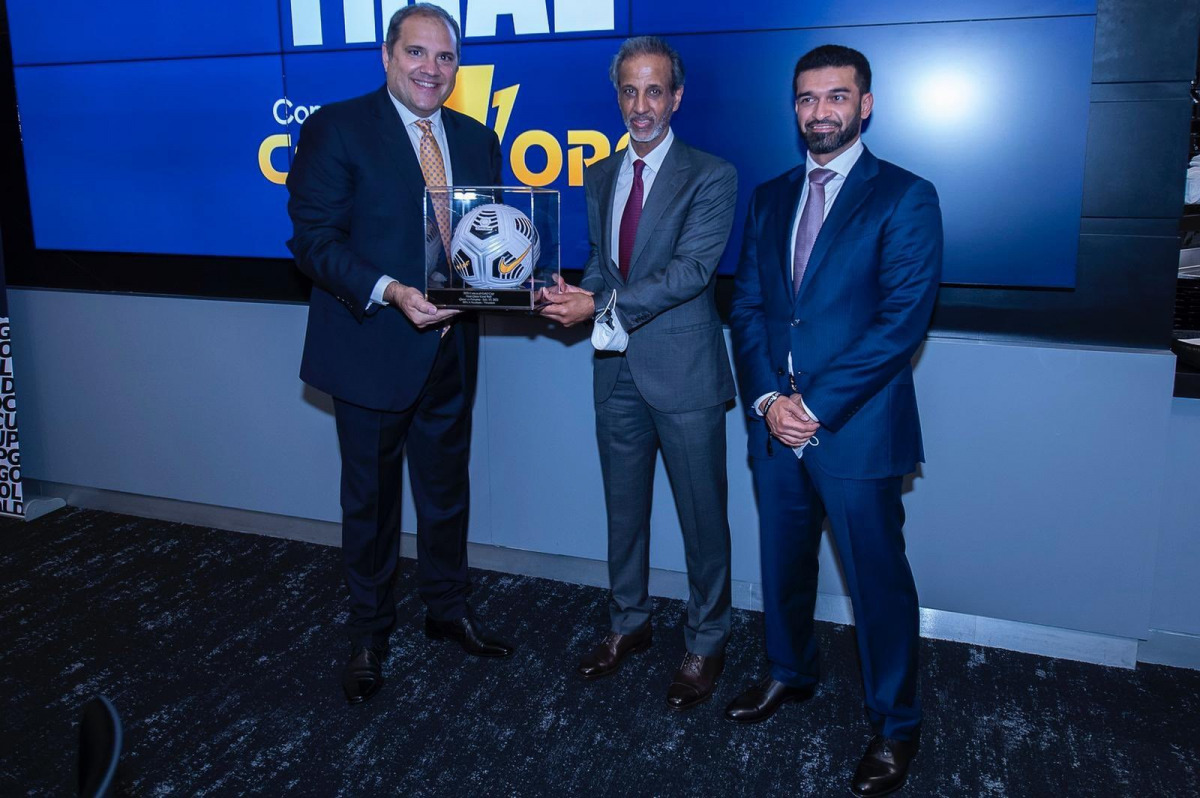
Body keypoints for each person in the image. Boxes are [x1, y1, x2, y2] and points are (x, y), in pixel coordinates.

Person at [726, 45, 943, 796]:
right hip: (774, 426)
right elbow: (748, 308)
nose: (820, 112)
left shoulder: (905, 196)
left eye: (836, 96)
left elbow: (900, 322)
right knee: (784, 564)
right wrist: (767, 401)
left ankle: (896, 724)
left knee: (877, 585)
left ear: (865, 104)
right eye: (807, 98)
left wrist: (813, 408)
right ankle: (790, 671)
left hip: (857, 429)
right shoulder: (770, 197)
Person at [286, 3, 511, 707]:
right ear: (387, 56)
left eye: (445, 57)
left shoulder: (476, 138)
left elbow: (488, 238)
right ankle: (368, 634)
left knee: (446, 494)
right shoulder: (336, 128)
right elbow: (314, 241)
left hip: (450, 348)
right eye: (416, 53)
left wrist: (516, 281)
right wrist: (391, 290)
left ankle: (447, 610)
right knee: (372, 503)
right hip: (372, 347)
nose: (430, 69)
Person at [540, 36, 738, 711]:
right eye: (630, 91)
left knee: (702, 520)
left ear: (676, 97)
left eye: (655, 90)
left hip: (684, 374)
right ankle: (629, 623)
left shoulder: (711, 175)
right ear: (618, 96)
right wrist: (574, 292)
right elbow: (605, 265)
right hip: (616, 369)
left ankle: (707, 640)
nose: (641, 105)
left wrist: (599, 305)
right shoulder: (601, 174)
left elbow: (691, 273)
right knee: (623, 513)